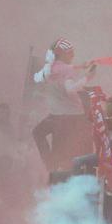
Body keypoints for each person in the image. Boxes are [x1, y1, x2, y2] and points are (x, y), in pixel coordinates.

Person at [31, 38, 96, 173]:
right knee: (61, 154)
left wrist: (81, 66)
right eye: (71, 53)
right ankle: (53, 167)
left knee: (40, 134)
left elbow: (63, 70)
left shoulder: (51, 68)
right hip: (69, 116)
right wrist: (88, 77)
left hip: (59, 116)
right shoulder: (65, 70)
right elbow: (71, 89)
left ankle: (51, 165)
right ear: (64, 54)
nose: (73, 55)